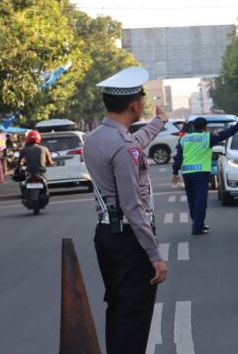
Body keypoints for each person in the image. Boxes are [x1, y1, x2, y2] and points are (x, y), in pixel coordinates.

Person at [84, 66, 169, 354]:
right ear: (134, 104)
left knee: (119, 309)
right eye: (142, 99)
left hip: (106, 234)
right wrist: (155, 255)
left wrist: (158, 123)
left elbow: (135, 144)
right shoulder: (122, 146)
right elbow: (133, 207)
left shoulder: (96, 138)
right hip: (129, 238)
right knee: (135, 315)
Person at [172, 115, 238, 235]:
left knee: (192, 200)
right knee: (201, 200)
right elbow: (228, 133)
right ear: (205, 127)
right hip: (200, 172)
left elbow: (178, 157)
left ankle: (199, 223)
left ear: (193, 127)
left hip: (187, 173)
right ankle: (197, 227)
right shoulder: (207, 137)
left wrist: (175, 172)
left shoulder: (185, 139)